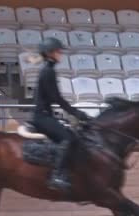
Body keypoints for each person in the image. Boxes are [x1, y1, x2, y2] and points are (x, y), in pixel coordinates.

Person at [31, 37, 91, 191]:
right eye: (58, 51)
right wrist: (76, 113)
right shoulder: (48, 71)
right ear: (50, 53)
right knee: (68, 138)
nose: (61, 54)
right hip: (41, 116)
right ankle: (56, 176)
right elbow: (56, 98)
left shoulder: (48, 70)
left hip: (46, 114)